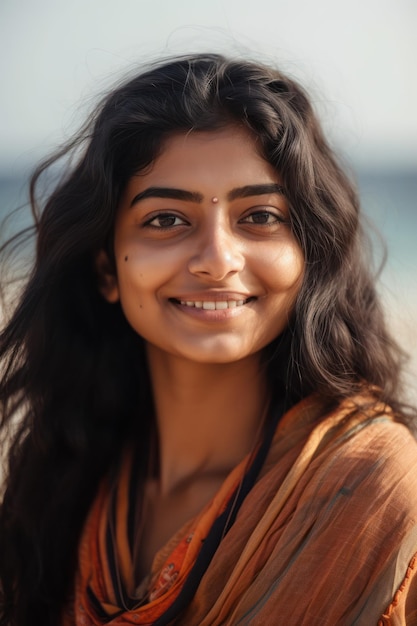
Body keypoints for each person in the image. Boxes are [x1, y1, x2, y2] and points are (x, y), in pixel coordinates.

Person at [0, 53, 416, 626]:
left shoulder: (378, 490)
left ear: (308, 255)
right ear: (105, 269)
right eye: (166, 219)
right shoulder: (62, 482)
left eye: (260, 216)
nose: (218, 261)